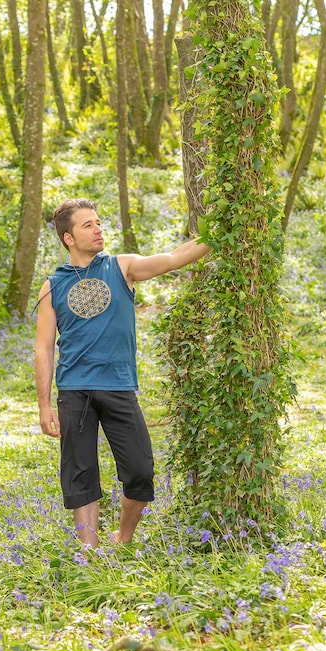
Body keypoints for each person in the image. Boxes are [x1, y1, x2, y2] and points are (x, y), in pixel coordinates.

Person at [34, 198, 210, 547]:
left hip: (118, 387)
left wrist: (218, 232)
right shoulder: (53, 286)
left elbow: (175, 258)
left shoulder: (123, 267)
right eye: (88, 225)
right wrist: (43, 404)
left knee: (141, 471)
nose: (99, 229)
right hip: (75, 389)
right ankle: (88, 551)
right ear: (68, 238)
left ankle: (123, 539)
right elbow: (43, 347)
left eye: (99, 222)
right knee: (80, 474)